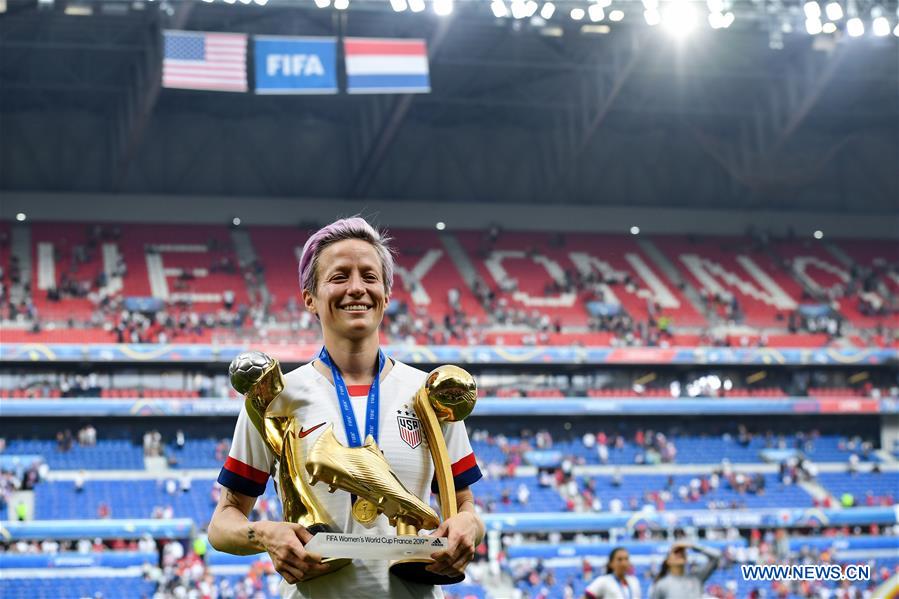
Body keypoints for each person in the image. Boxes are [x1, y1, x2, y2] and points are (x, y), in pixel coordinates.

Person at [208, 217, 484, 599]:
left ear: (386, 294)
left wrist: (469, 528)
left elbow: (465, 505)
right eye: (339, 277)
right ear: (310, 298)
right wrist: (267, 535)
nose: (357, 288)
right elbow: (222, 523)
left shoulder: (428, 392)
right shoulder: (276, 397)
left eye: (369, 276)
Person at [649, 542, 720, 599]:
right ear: (668, 561)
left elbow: (716, 557)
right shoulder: (662, 584)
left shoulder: (696, 578)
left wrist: (692, 545)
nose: (680, 554)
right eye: (676, 552)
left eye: (682, 552)